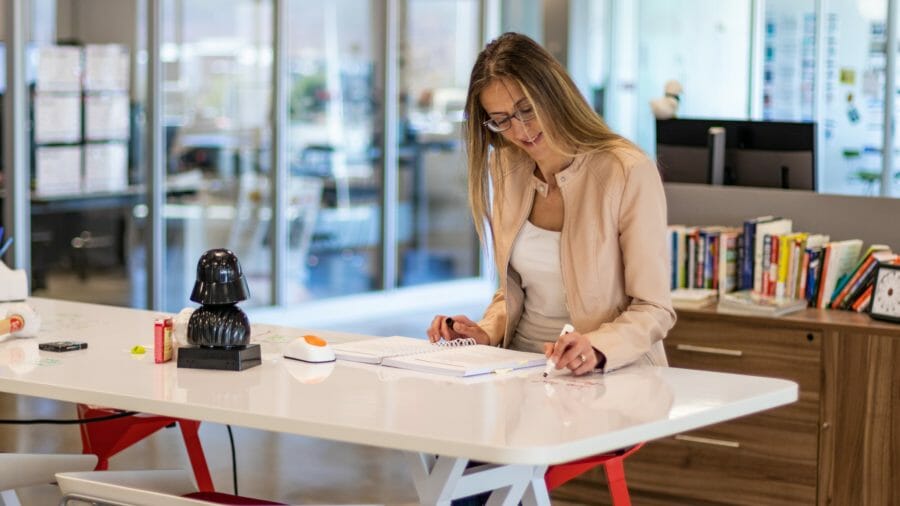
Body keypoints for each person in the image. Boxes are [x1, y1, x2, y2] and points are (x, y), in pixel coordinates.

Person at [427, 32, 675, 377]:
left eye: (526, 110)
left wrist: (598, 348)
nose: (520, 130)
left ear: (553, 94)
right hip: (520, 371)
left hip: (610, 374)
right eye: (501, 120)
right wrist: (486, 330)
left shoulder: (627, 170)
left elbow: (654, 308)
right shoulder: (506, 167)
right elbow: (516, 289)